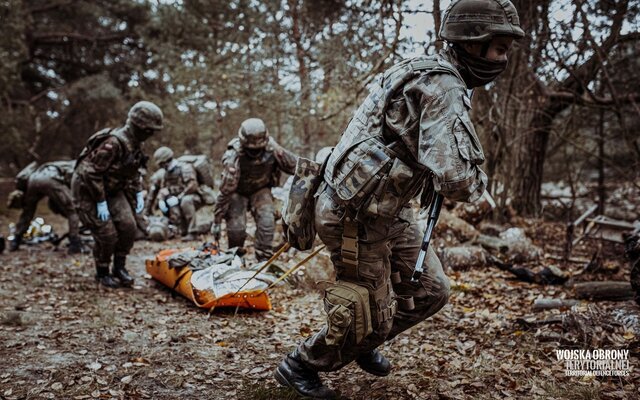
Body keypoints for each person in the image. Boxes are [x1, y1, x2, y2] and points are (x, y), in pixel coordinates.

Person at [274, 0, 525, 397]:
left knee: (431, 289)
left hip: (386, 208)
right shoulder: (443, 86)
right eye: (499, 48)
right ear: (472, 44)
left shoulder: (425, 68)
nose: (504, 59)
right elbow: (456, 180)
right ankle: (302, 363)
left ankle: (366, 341)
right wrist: (481, 191)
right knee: (367, 315)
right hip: (354, 214)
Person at [72, 101, 163, 288]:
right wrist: (100, 201)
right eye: (149, 130)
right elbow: (90, 173)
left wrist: (138, 193)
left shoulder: (136, 144)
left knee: (129, 226)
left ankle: (119, 268)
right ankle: (102, 271)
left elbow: (134, 170)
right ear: (139, 126)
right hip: (88, 191)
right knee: (108, 234)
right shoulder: (112, 143)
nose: (152, 134)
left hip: (113, 189)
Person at [212, 118, 298, 260]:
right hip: (237, 192)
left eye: (259, 149)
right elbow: (226, 190)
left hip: (260, 190)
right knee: (236, 229)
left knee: (267, 221)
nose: (255, 152)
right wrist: (217, 220)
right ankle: (235, 257)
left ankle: (263, 258)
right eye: (251, 149)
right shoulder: (233, 156)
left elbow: (296, 166)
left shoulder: (273, 149)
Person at [7, 160, 82, 253]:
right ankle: (75, 244)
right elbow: (74, 180)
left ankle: (16, 240)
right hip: (50, 180)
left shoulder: (51, 166)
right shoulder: (75, 165)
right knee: (72, 210)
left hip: (32, 182)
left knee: (28, 213)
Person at [152, 146, 203, 241]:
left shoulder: (184, 167)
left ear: (166, 160)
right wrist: (161, 199)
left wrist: (179, 197)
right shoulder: (166, 173)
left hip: (193, 198)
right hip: (175, 200)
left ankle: (193, 232)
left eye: (162, 164)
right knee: (169, 204)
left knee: (185, 201)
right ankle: (179, 229)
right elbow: (163, 188)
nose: (161, 166)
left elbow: (193, 185)